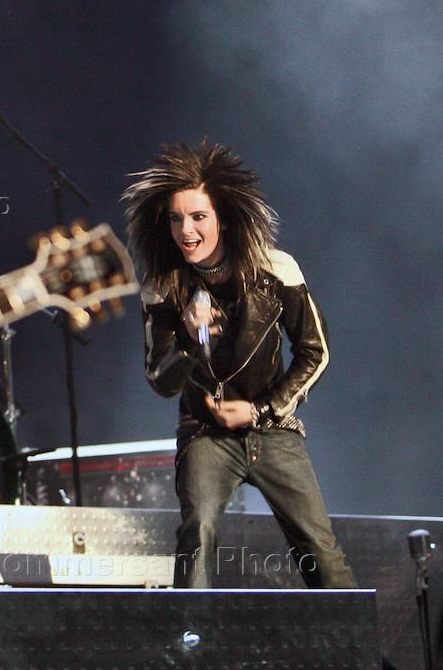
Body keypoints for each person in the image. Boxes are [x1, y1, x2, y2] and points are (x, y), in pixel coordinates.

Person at [121, 141, 355, 590]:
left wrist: (262, 409)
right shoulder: (163, 287)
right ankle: (191, 632)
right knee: (198, 532)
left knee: (319, 549)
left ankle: (352, 632)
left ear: (222, 219)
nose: (186, 230)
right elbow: (160, 381)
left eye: (198, 217)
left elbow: (316, 351)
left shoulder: (276, 270)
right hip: (205, 433)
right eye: (176, 219)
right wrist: (188, 339)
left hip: (272, 428)